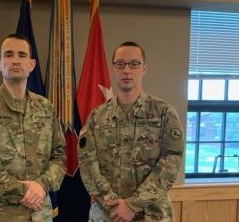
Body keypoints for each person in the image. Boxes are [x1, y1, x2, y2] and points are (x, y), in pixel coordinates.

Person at [0, 34, 66, 222]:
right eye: (9, 55)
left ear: (32, 64)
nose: (16, 60)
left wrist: (41, 185)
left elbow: (59, 156)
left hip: (40, 214)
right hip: (2, 215)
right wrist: (22, 191)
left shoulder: (45, 107)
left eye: (22, 55)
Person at [78, 41, 184, 222]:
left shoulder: (164, 112)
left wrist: (133, 204)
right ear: (113, 68)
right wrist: (112, 203)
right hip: (107, 214)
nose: (127, 70)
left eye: (134, 64)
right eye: (120, 64)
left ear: (144, 68)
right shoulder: (97, 116)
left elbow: (171, 161)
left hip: (152, 213)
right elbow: (88, 163)